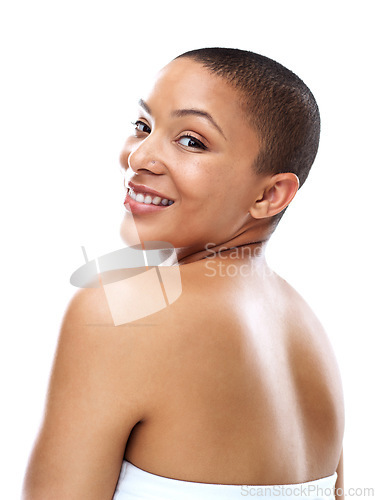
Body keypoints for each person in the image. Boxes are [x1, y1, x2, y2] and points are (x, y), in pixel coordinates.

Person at [22, 47, 344, 499]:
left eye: (192, 141)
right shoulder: (309, 332)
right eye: (143, 126)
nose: (139, 158)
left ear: (271, 194)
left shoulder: (125, 311)